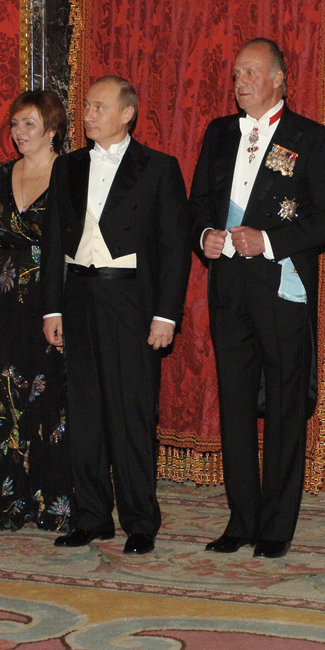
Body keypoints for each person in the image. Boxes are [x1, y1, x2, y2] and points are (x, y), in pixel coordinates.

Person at [189, 38, 325, 559]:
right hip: (229, 290)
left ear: (280, 78)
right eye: (236, 73)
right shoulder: (216, 134)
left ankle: (277, 524)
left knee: (282, 407)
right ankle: (242, 519)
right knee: (234, 405)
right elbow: (195, 210)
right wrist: (207, 235)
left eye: (252, 72)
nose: (240, 82)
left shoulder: (311, 138)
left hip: (282, 290)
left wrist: (270, 241)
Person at [42, 75, 190, 555]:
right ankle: (90, 516)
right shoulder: (67, 167)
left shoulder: (158, 168)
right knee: (84, 413)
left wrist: (166, 315)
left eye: (99, 107)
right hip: (79, 296)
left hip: (130, 300)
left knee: (131, 414)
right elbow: (53, 246)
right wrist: (52, 306)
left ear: (128, 113)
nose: (87, 114)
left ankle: (140, 521)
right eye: (86, 105)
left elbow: (174, 250)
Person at [0, 90, 73, 532]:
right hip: (6, 300)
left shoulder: (70, 173)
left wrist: (65, 305)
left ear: (52, 129)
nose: (19, 133)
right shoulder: (0, 175)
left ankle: (53, 504)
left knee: (49, 403)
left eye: (29, 124)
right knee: (4, 401)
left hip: (52, 300)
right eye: (14, 124)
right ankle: (4, 500)